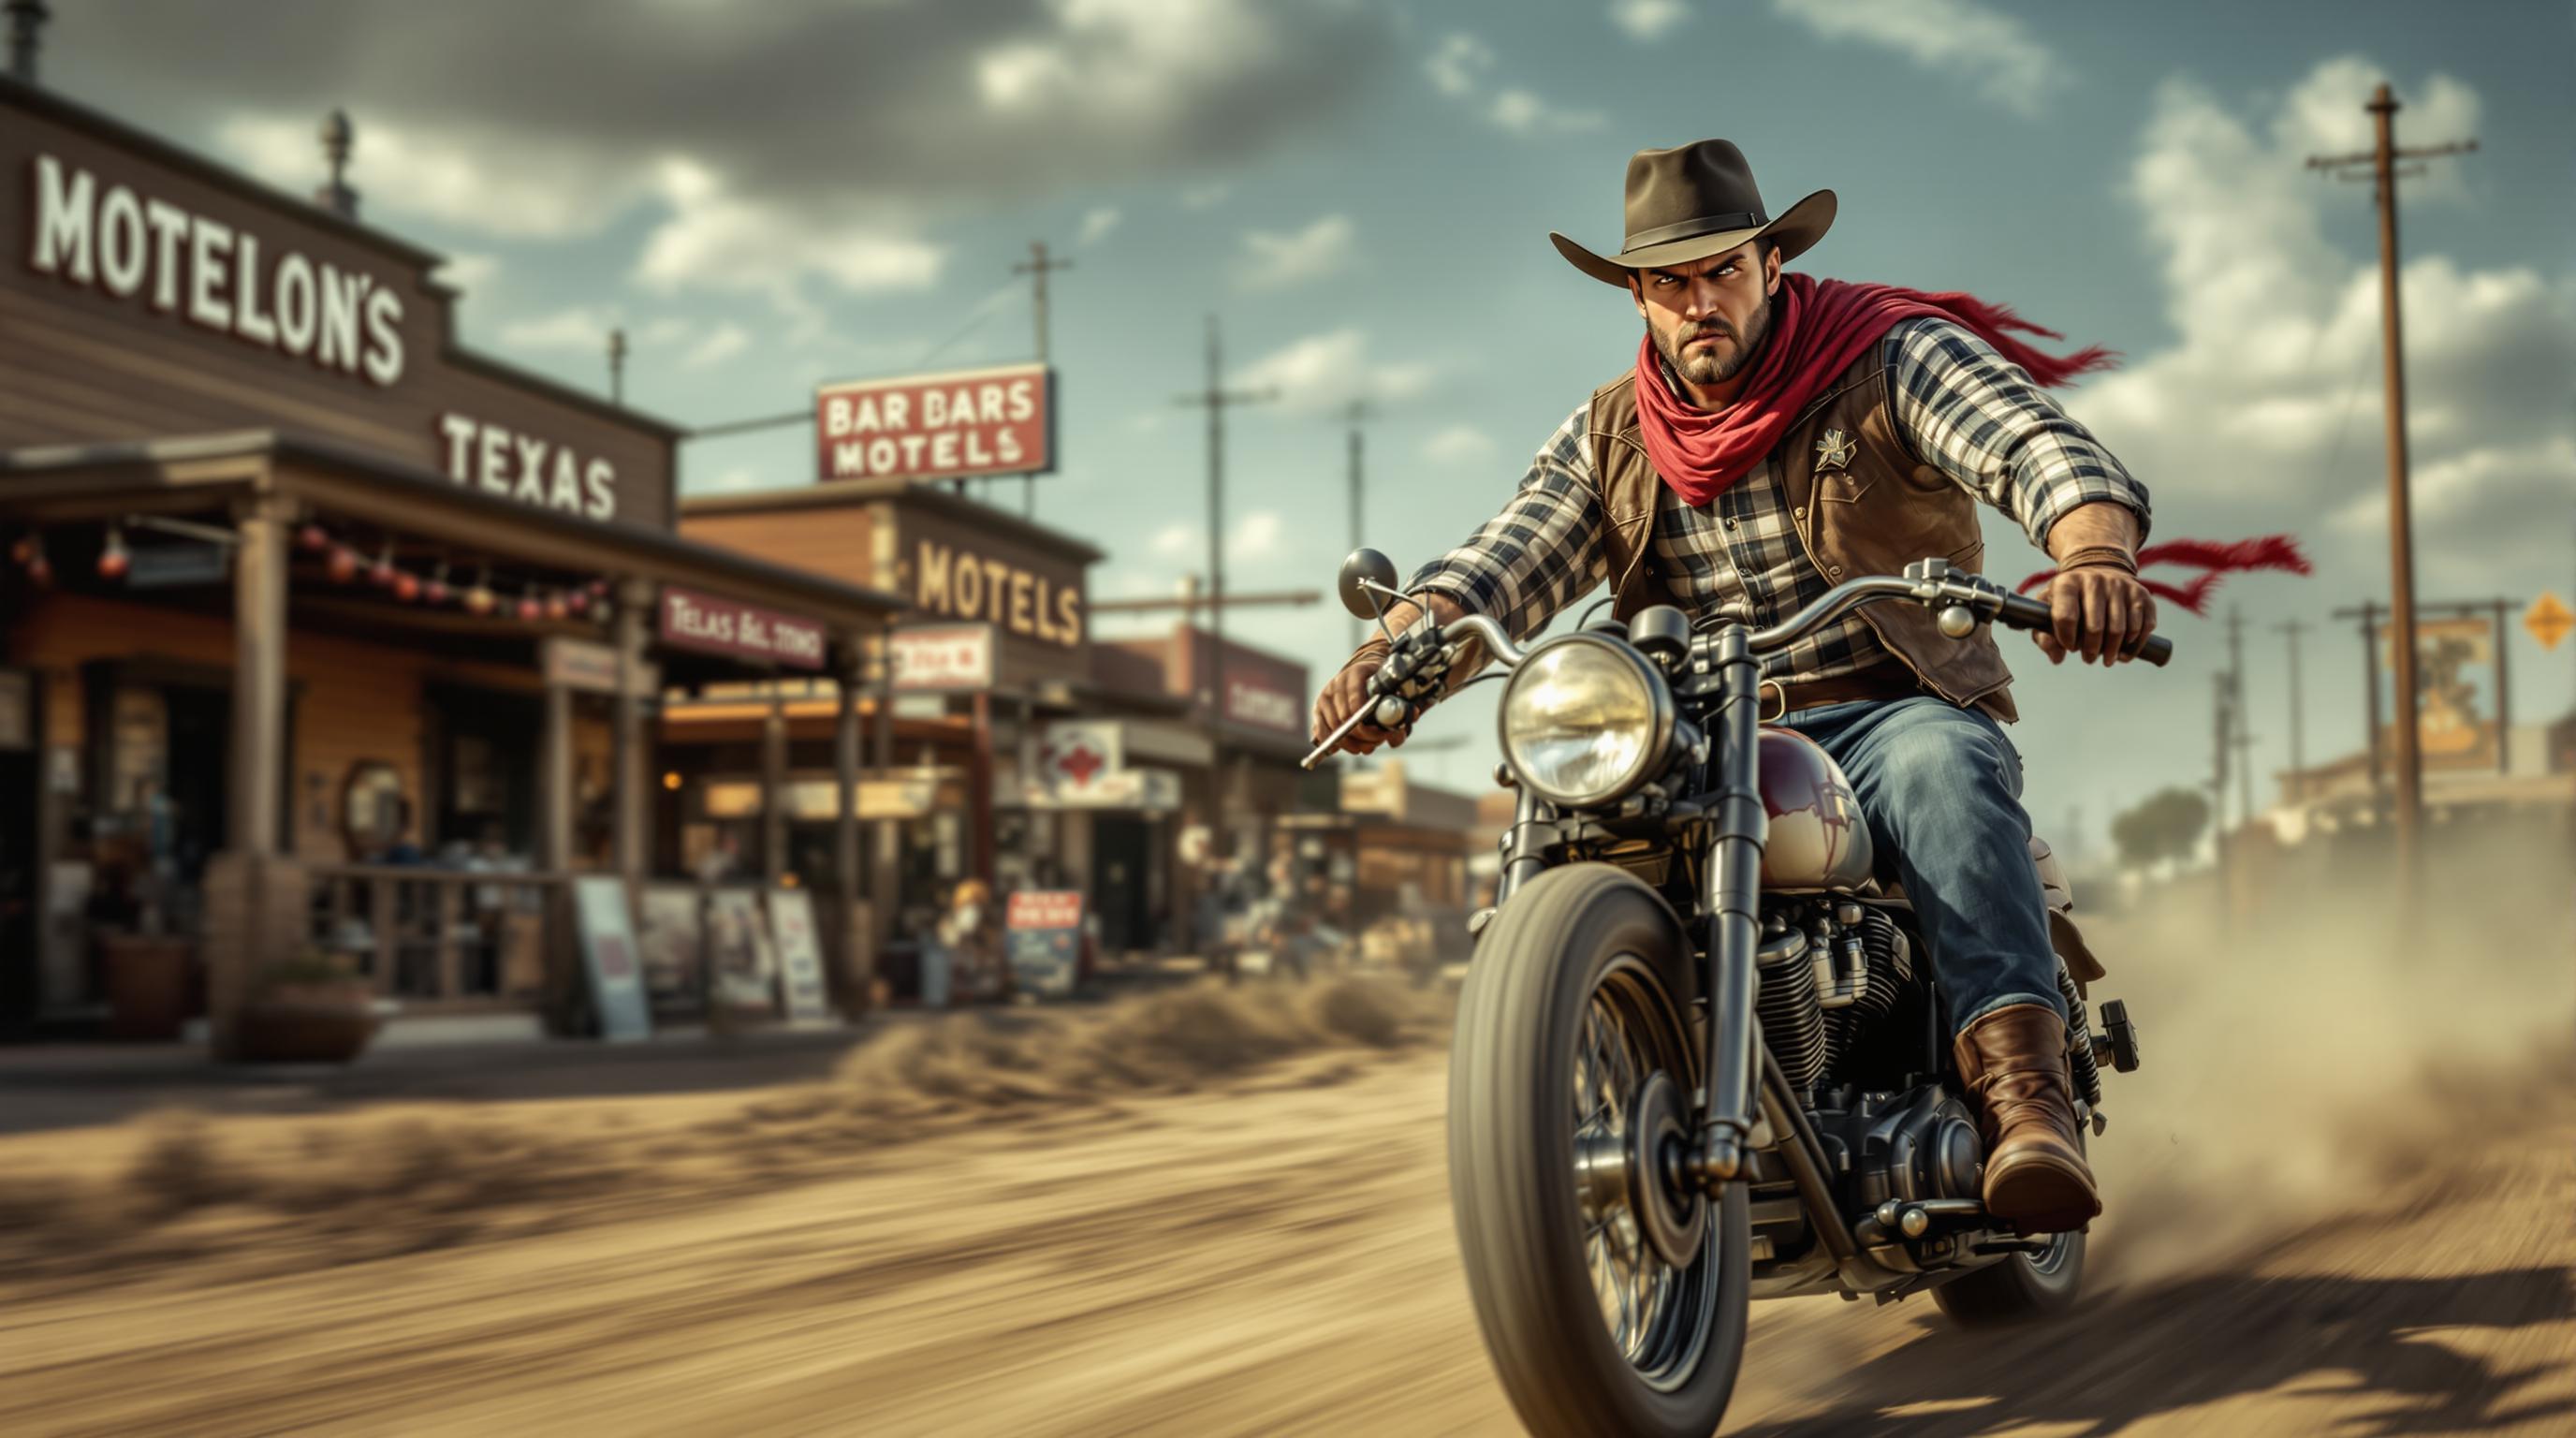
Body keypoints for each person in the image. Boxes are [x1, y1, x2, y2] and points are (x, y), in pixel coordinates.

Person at [1310, 140, 2158, 1235]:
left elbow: (2034, 445)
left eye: (1721, 270)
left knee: (1942, 772)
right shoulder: (1612, 433)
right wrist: (1403, 646)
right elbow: (1506, 561)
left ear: (1768, 263)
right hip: (1695, 733)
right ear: (1639, 296)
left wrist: (2091, 552)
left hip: (1884, 700)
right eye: (1670, 281)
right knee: (1567, 811)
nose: (1698, 300)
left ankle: (2024, 1102)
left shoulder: (1886, 357)